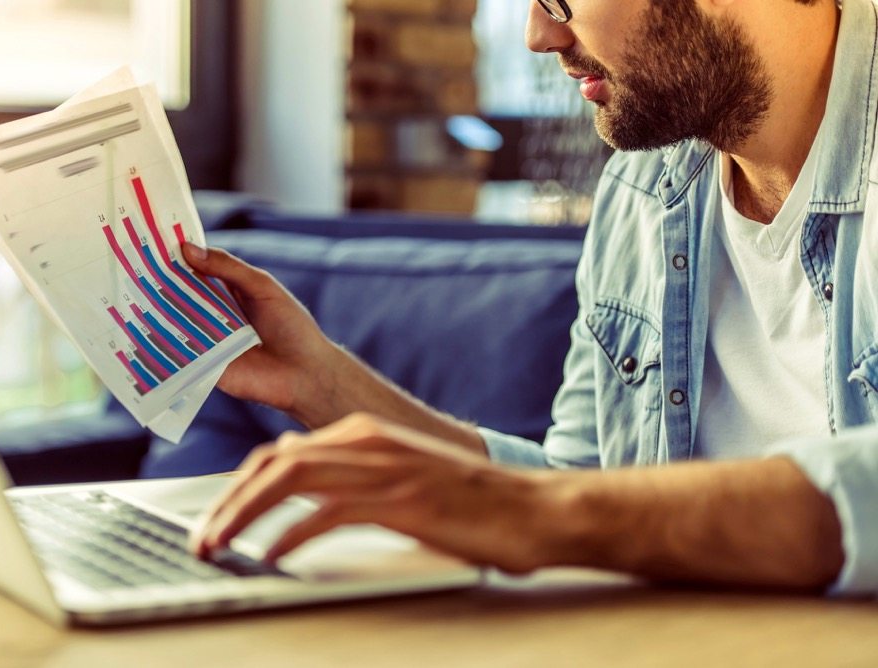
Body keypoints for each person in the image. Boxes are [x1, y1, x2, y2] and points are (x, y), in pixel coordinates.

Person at [185, 0, 878, 595]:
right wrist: (323, 382)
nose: (538, 35)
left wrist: (540, 513)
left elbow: (554, 511)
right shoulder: (643, 194)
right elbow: (567, 486)